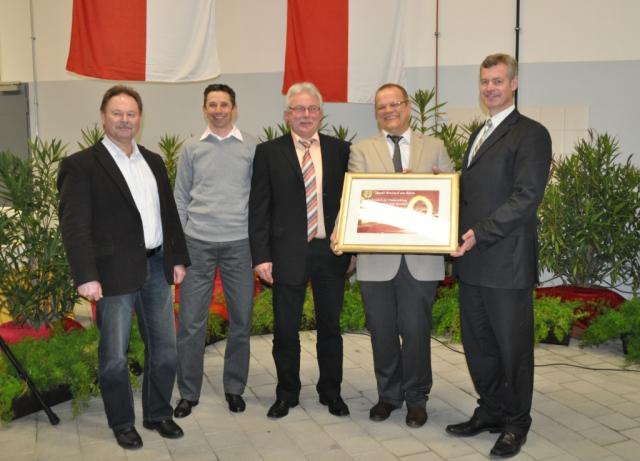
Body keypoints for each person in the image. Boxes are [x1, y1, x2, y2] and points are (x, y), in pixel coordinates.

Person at [57, 85, 190, 449]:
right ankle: (122, 421)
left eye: (131, 114)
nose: (124, 120)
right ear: (103, 117)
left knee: (165, 349)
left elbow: (169, 214)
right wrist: (86, 275)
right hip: (111, 273)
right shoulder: (80, 165)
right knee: (114, 355)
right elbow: (74, 226)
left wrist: (177, 257)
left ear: (140, 118)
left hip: (156, 267)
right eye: (117, 113)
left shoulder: (153, 161)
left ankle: (157, 413)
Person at [447, 53, 552, 458]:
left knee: (512, 350)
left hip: (506, 262)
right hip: (473, 261)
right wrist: (444, 188)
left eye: (497, 81)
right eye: (484, 81)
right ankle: (490, 410)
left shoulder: (531, 134)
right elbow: (479, 190)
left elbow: (526, 197)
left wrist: (480, 233)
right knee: (478, 346)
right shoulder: (481, 132)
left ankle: (516, 423)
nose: (489, 88)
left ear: (514, 84)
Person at [333, 83, 453, 428]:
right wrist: (342, 235)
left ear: (408, 106)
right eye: (381, 106)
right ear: (376, 113)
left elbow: (452, 192)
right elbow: (352, 198)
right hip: (376, 259)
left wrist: (427, 184)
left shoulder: (435, 147)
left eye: (394, 104)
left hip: (421, 259)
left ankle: (417, 398)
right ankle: (388, 396)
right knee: (382, 332)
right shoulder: (361, 149)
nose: (388, 110)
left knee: (416, 332)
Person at [249, 82, 351, 419]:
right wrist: (261, 256)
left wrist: (353, 248)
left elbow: (352, 203)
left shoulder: (341, 150)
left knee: (330, 328)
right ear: (287, 115)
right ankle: (287, 393)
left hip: (330, 252)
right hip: (285, 254)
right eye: (298, 109)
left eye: (312, 109)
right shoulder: (268, 152)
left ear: (321, 114)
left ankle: (331, 392)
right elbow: (259, 208)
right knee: (285, 329)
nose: (305, 115)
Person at [173, 84, 257, 417]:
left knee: (241, 320)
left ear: (233, 108)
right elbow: (181, 197)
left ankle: (234, 388)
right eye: (212, 104)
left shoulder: (251, 146)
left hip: (240, 244)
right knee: (191, 323)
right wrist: (178, 248)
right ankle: (188, 393)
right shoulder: (191, 147)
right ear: (204, 109)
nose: (218, 110)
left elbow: (260, 197)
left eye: (224, 104)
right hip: (197, 244)